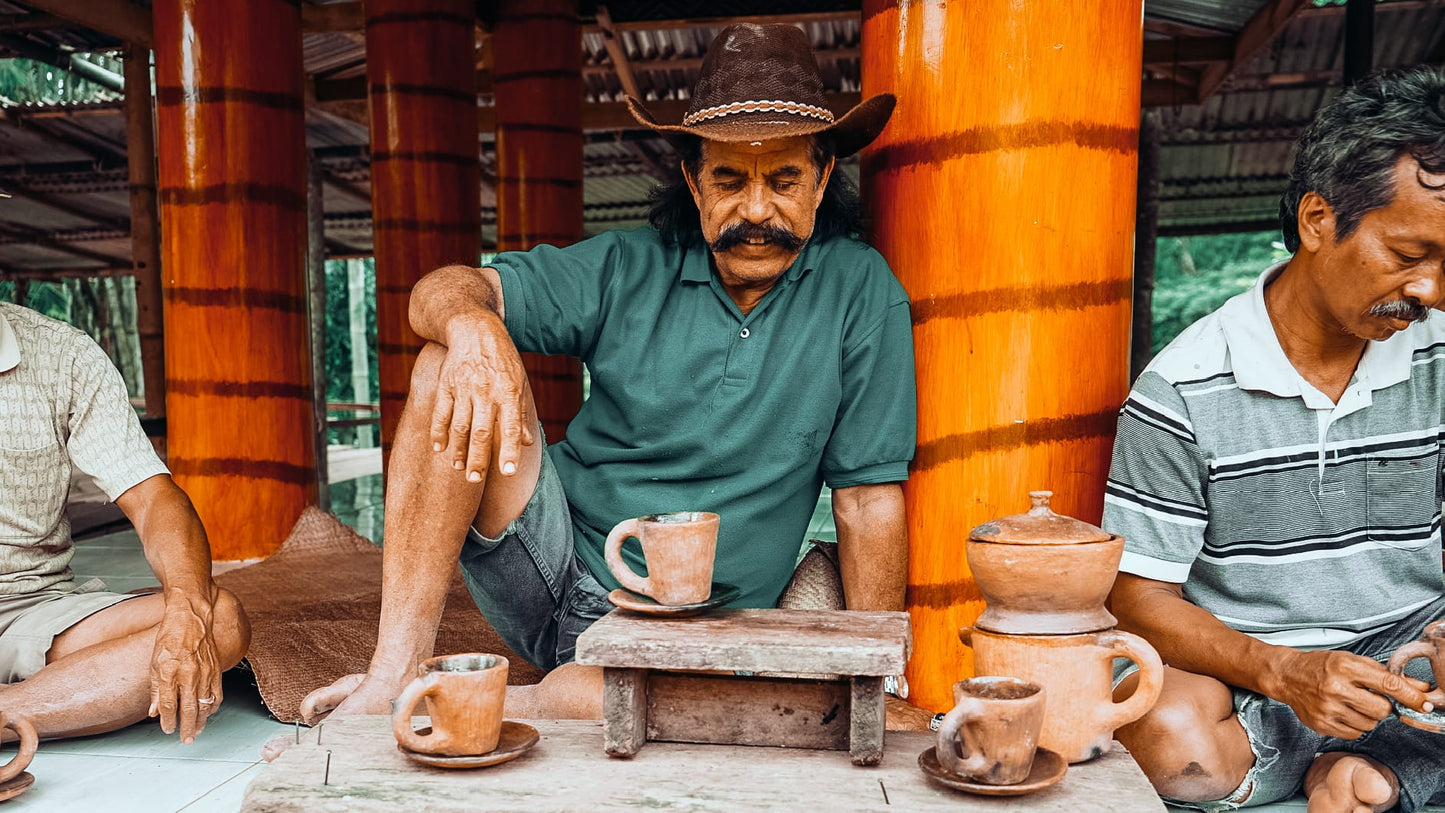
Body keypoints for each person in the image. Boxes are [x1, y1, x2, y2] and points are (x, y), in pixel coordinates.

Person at [302, 23, 920, 724]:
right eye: (728, 178)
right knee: (446, 358)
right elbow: (440, 289)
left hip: (685, 633)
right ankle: (393, 674)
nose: (755, 210)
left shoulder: (860, 291)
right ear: (692, 180)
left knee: (631, 700)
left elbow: (868, 501)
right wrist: (473, 324)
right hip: (549, 565)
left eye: (782, 181)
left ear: (820, 178)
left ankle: (522, 698)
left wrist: (881, 675)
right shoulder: (626, 264)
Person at [1104, 66, 1445, 813]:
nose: (1431, 291)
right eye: (1408, 255)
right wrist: (1283, 670)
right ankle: (1380, 777)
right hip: (1257, 682)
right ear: (1317, 220)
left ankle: (1373, 774)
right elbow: (1135, 595)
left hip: (1417, 669)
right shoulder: (1181, 389)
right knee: (1165, 732)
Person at [0, 301, 249, 744]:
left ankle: (9, 713)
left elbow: (153, 498)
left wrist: (184, 611)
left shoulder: (62, 355)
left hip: (30, 609)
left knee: (220, 620)